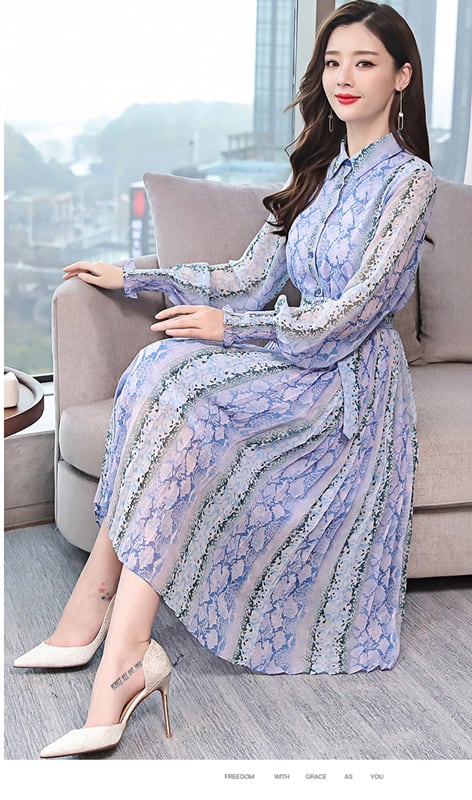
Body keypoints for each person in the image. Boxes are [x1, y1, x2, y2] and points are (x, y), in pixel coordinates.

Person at [14, 0, 436, 758]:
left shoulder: (409, 182)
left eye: (366, 62)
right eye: (333, 62)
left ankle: (120, 656)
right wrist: (137, 277)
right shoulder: (317, 171)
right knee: (158, 366)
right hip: (293, 349)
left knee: (188, 392)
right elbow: (248, 277)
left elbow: (358, 310)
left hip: (347, 379)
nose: (344, 77)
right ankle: (97, 610)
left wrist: (232, 330)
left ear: (401, 77)